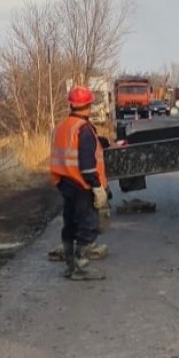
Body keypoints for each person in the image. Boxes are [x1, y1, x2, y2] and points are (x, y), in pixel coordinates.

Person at [48, 85, 110, 281]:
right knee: (87, 225)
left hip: (64, 182)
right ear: (89, 106)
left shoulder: (62, 126)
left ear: (71, 105)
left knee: (70, 223)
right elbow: (87, 165)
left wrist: (99, 142)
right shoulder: (84, 129)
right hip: (82, 184)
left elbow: (70, 149)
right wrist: (97, 187)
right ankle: (81, 268)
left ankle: (70, 266)